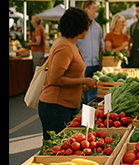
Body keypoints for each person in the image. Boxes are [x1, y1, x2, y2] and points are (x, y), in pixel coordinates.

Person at [38, 8, 100, 141]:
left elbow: (68, 76)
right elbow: (55, 79)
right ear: (79, 28)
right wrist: (83, 81)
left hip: (66, 106)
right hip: (56, 107)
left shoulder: (69, 44)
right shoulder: (65, 47)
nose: (87, 31)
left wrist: (84, 85)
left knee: (62, 148)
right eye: (86, 28)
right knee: (56, 148)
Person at [77, 1, 106, 106]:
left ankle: (90, 114)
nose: (96, 10)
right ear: (86, 10)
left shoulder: (98, 27)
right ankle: (78, 115)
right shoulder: (79, 26)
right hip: (82, 65)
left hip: (95, 65)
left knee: (93, 94)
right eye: (94, 8)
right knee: (79, 93)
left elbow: (100, 45)